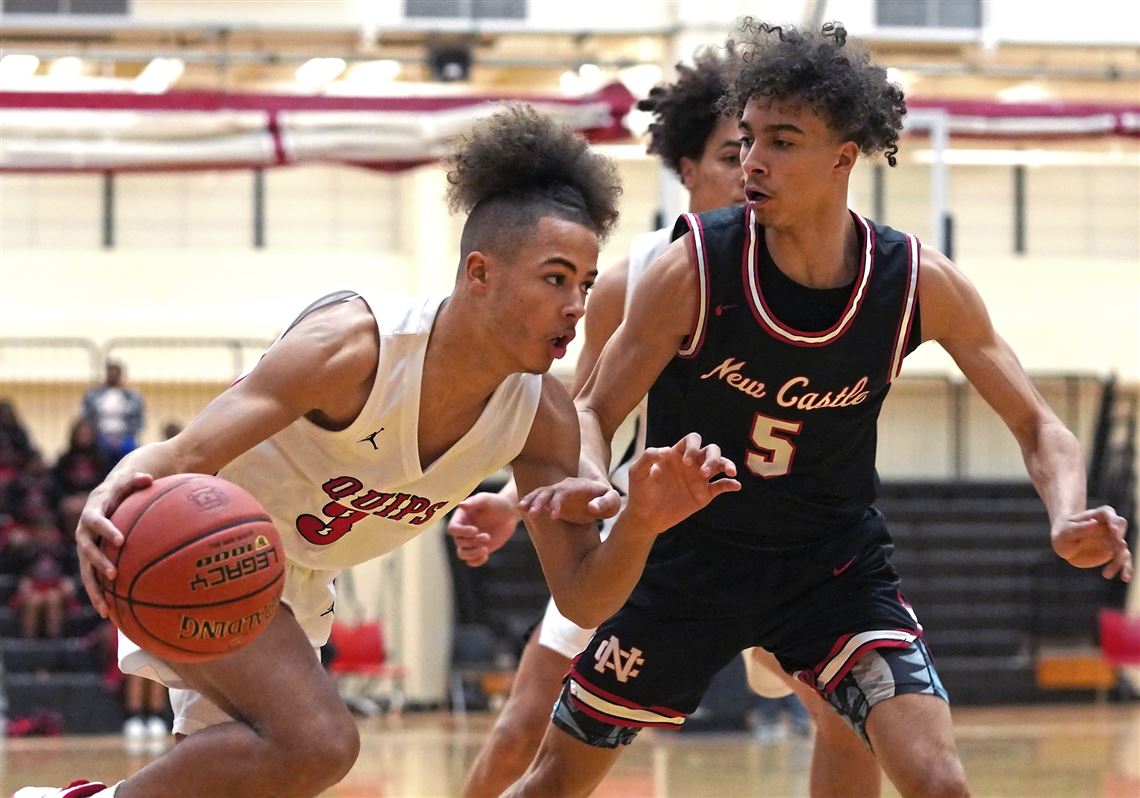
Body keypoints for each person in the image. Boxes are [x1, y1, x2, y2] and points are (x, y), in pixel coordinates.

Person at [17, 105, 740, 798]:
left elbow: (582, 597)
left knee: (263, 775)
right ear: (479, 273)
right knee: (320, 744)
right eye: (555, 279)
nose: (577, 305)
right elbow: (186, 451)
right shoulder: (353, 347)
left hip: (292, 584)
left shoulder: (541, 414)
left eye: (583, 284)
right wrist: (114, 486)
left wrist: (642, 521)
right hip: (194, 550)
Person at [504, 21, 1132, 798]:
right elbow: (593, 406)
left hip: (830, 572)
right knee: (550, 783)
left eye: (784, 141)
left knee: (939, 781)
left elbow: (1041, 425)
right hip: (688, 567)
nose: (756, 162)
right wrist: (598, 483)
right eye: (750, 138)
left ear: (843, 159)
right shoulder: (692, 266)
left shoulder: (913, 281)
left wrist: (1066, 512)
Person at [451, 46, 880, 798]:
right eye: (732, 151)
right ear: (687, 169)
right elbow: (582, 425)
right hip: (649, 544)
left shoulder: (835, 267)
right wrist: (525, 504)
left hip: (787, 544)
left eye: (771, 146)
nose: (752, 167)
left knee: (850, 717)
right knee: (526, 720)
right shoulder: (639, 276)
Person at [80, 361, 146, 464]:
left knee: (131, 455)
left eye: (116, 374)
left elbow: (140, 419)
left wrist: (122, 437)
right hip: (99, 436)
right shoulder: (93, 395)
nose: (113, 376)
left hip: (125, 437)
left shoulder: (132, 396)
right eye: (111, 374)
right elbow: (86, 418)